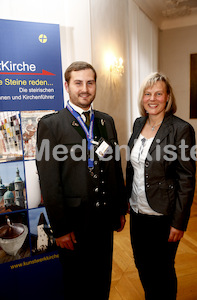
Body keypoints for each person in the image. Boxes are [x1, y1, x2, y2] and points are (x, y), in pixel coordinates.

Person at [36, 61, 127, 300]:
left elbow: (114, 168)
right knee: (77, 285)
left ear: (95, 85)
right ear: (67, 86)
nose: (85, 88)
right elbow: (49, 182)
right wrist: (61, 229)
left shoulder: (106, 121)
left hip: (104, 221)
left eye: (90, 82)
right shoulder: (51, 125)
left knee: (101, 281)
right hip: (74, 224)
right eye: (78, 83)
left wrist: (119, 208)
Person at [126, 72, 196, 300]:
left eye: (158, 93)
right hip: (138, 212)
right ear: (142, 98)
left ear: (167, 97)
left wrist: (179, 221)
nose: (152, 98)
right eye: (148, 93)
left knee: (162, 271)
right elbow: (132, 166)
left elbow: (186, 178)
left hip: (163, 214)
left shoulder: (181, 129)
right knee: (142, 265)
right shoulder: (138, 124)